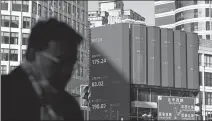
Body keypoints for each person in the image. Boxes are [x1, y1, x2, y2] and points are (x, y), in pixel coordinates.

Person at [2, 18, 84, 120]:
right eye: (61, 62)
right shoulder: (4, 93)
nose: (67, 71)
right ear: (32, 54)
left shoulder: (70, 107)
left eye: (71, 64)